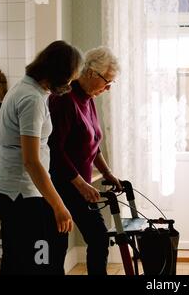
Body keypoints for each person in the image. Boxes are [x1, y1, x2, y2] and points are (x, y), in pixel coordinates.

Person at [0, 40, 83, 275]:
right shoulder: (32, 99)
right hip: (21, 192)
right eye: (70, 79)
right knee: (39, 262)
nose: (70, 84)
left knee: (16, 259)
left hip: (12, 189)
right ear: (58, 73)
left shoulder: (26, 89)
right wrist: (58, 205)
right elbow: (31, 161)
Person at [48, 46, 122, 275]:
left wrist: (107, 173)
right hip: (63, 186)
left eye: (111, 83)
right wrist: (81, 185)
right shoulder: (63, 100)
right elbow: (55, 151)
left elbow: (93, 143)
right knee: (60, 246)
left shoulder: (88, 98)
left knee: (98, 239)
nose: (108, 88)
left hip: (80, 186)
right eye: (106, 81)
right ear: (90, 72)